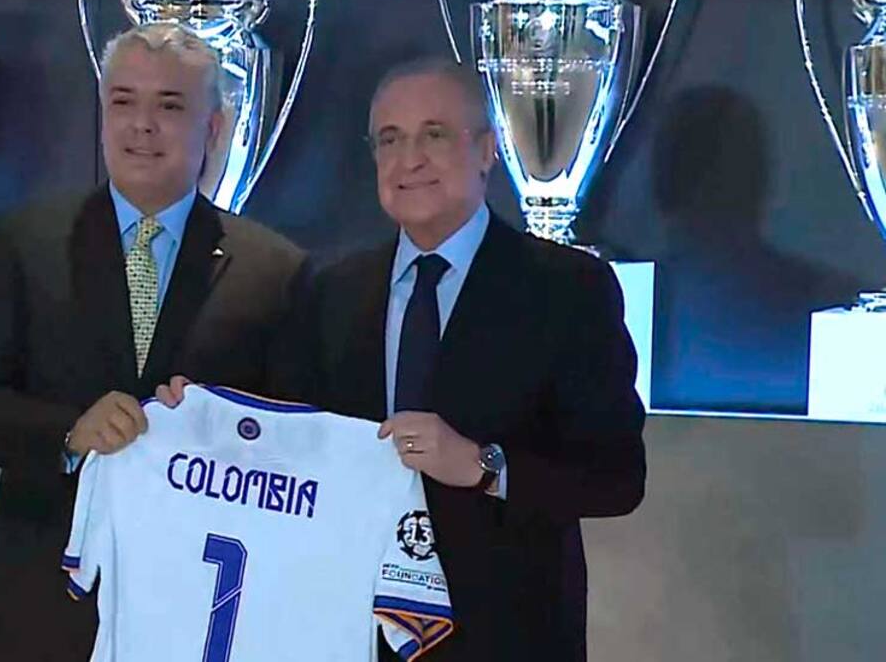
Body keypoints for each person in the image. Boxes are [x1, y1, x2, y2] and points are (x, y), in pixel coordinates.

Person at [161, 56, 646, 661]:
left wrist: (483, 465)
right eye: (389, 140)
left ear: (486, 150)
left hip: (508, 636)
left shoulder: (568, 289)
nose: (409, 159)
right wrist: (199, 418)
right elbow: (285, 437)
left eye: (433, 135)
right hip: (352, 632)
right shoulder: (329, 290)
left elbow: (617, 478)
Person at [0, 22, 305, 662]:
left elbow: (299, 441)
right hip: (32, 607)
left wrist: (224, 426)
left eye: (170, 106)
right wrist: (69, 433)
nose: (142, 125)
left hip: (197, 610)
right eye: (123, 101)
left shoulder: (276, 271)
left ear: (214, 129)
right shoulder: (24, 242)